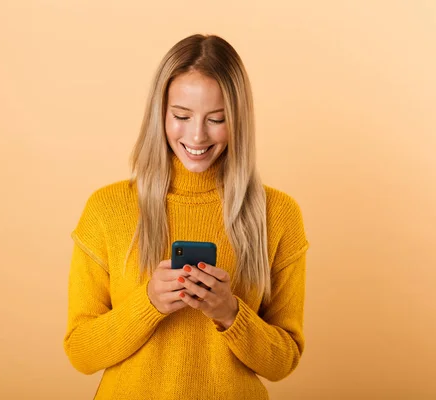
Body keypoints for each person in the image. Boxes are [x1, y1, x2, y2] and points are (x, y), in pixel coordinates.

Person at [63, 33, 309, 400]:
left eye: (217, 119)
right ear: (159, 113)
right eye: (181, 115)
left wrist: (230, 313)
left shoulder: (277, 214)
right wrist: (148, 304)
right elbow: (81, 352)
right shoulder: (107, 209)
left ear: (239, 120)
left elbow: (283, 362)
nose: (197, 135)